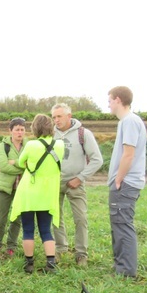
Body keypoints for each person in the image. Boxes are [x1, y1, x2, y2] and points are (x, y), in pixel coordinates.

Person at [10, 114, 65, 274]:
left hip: (29, 193)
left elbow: (21, 162)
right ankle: (50, 262)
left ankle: (29, 264)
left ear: (35, 128)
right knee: (46, 230)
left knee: (28, 229)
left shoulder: (31, 145)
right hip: (47, 195)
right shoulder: (60, 145)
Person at [52, 103, 103, 267]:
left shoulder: (83, 133)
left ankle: (81, 254)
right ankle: (60, 249)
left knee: (80, 218)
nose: (56, 120)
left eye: (59, 116)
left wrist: (80, 178)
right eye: (53, 117)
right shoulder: (50, 133)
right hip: (54, 182)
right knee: (55, 218)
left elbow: (97, 160)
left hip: (76, 183)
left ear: (69, 115)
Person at [107, 86, 147, 278]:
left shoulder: (129, 121)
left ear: (118, 100)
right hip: (127, 182)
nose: (108, 104)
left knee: (122, 224)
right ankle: (120, 265)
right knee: (119, 223)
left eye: (109, 100)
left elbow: (128, 154)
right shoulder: (130, 121)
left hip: (126, 183)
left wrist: (119, 179)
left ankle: (126, 271)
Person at [0, 117, 28, 258]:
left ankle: (11, 247)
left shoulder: (29, 146)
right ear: (10, 131)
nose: (20, 132)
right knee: (1, 219)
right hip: (4, 188)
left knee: (16, 219)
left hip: (21, 188)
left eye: (22, 129)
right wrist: (22, 166)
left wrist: (13, 162)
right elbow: (3, 166)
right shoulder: (3, 146)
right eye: (17, 129)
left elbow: (32, 165)